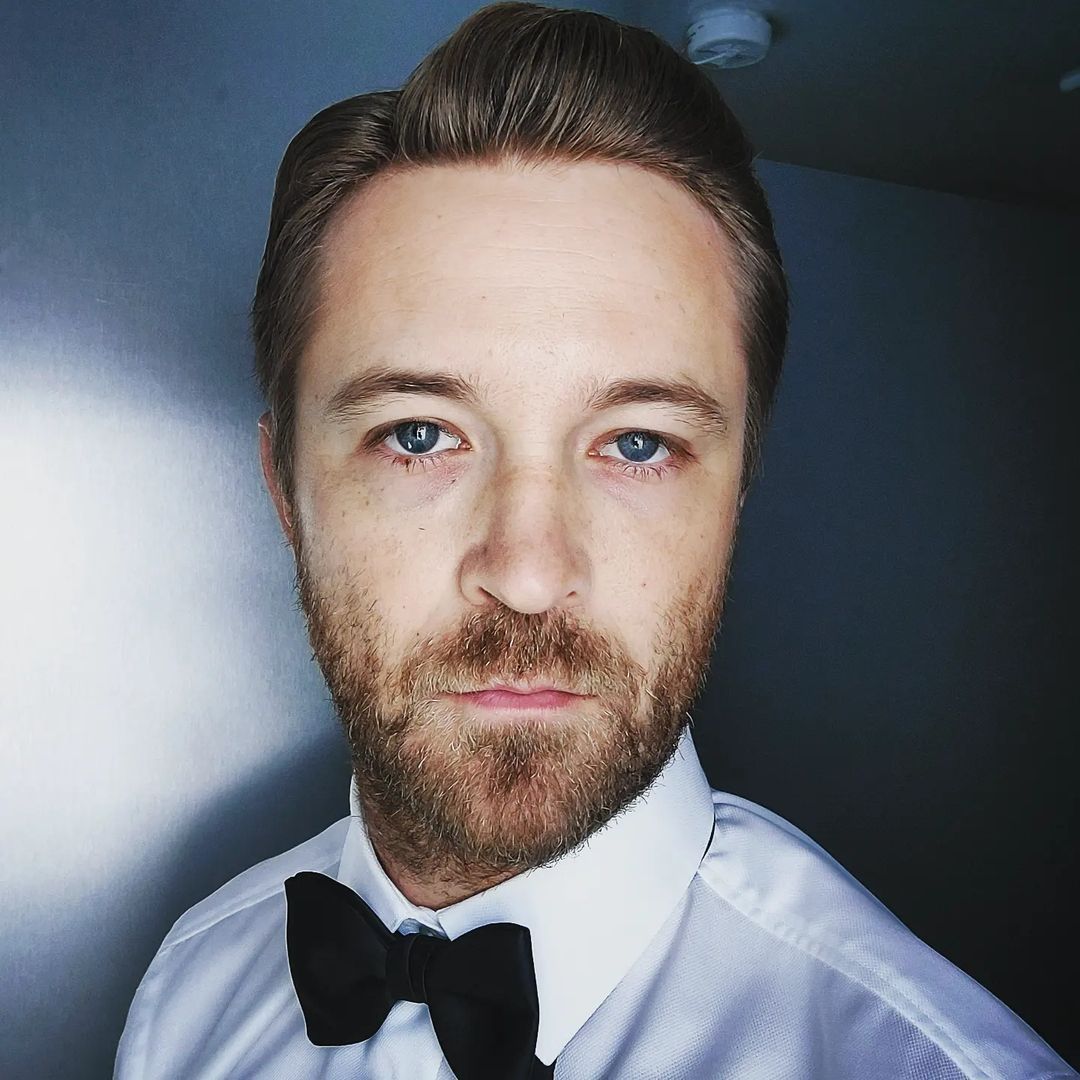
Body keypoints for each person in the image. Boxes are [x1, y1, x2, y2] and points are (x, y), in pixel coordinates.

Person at [113, 3, 1077, 1078]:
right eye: (419, 435)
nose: (529, 574)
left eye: (637, 444)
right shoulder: (186, 993)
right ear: (286, 491)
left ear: (736, 497)